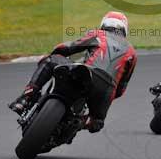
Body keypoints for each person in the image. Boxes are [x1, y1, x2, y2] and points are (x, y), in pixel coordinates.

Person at [9, 11, 137, 133]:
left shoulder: (98, 34)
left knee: (49, 61)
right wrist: (106, 97)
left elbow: (69, 47)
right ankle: (79, 122)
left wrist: (55, 53)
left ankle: (26, 98)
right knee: (95, 123)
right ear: (124, 29)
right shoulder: (132, 52)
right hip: (107, 90)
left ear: (104, 24)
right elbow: (121, 88)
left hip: (86, 74)